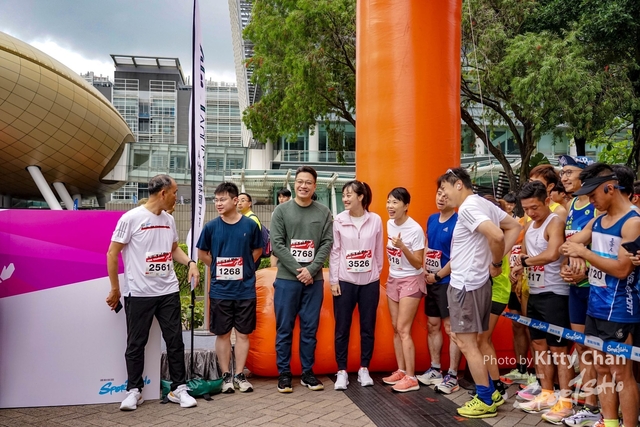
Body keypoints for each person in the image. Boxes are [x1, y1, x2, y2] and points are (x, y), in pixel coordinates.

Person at [106, 174, 198, 411]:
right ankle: (134, 391)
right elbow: (112, 253)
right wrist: (115, 289)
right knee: (136, 344)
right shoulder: (131, 218)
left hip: (168, 291)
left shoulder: (169, 220)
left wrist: (190, 263)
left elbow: (173, 249)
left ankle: (179, 389)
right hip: (138, 293)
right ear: (163, 193)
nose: (177, 197)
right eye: (175, 192)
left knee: (175, 341)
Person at [560, 163, 640, 427]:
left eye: (593, 194)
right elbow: (567, 244)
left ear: (610, 188)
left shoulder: (633, 222)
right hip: (595, 305)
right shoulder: (597, 220)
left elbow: (622, 269)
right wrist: (576, 261)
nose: (590, 200)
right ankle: (609, 421)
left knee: (621, 372)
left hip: (620, 308)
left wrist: (584, 253)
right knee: (602, 368)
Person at [438, 167, 521, 419]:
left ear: (458, 184)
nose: (443, 194)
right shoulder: (483, 204)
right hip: (476, 282)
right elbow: (514, 227)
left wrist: (496, 263)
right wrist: (494, 261)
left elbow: (497, 234)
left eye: (445, 188)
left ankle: (485, 398)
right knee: (471, 340)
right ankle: (491, 392)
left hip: (467, 284)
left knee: (467, 343)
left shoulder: (468, 207)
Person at [511, 181, 575, 424]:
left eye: (534, 207)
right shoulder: (529, 225)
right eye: (526, 208)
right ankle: (547, 393)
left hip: (555, 293)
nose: (530, 213)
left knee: (558, 350)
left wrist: (524, 263)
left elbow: (552, 253)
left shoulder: (555, 222)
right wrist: (520, 268)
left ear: (547, 201)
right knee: (538, 345)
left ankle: (566, 400)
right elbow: (526, 254)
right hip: (535, 292)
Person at [271, 166, 333, 393]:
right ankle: (284, 374)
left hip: (313, 282)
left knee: (309, 329)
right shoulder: (281, 211)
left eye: (308, 182)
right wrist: (300, 270)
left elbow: (327, 243)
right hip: (287, 280)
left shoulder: (324, 212)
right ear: (294, 184)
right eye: (299, 181)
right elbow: (277, 244)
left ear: (314, 186)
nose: (303, 186)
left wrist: (312, 269)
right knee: (284, 328)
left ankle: (308, 372)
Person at [196, 182, 262, 394]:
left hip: (245, 290)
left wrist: (245, 267)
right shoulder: (211, 227)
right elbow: (202, 254)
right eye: (216, 200)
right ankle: (226, 376)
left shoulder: (250, 225)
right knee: (222, 334)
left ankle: (240, 374)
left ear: (235, 201)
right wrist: (218, 268)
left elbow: (258, 250)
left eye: (222, 199)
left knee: (243, 334)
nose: (218, 203)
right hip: (220, 290)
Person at [557, 154, 601, 427]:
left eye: (569, 172)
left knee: (600, 351)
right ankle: (589, 403)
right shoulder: (572, 204)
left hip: (595, 286)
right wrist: (565, 267)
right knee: (582, 345)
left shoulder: (597, 207)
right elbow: (568, 245)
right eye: (562, 173)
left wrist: (584, 266)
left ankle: (606, 404)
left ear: (585, 175)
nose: (564, 177)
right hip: (574, 287)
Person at [329, 180, 383, 390]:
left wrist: (376, 273)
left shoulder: (375, 220)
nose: (345, 198)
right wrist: (334, 280)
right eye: (343, 195)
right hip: (345, 282)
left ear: (361, 197)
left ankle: (364, 369)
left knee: (368, 328)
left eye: (349, 195)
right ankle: (342, 371)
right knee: (342, 328)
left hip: (370, 283)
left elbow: (378, 250)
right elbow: (335, 251)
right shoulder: (339, 220)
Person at [417, 187, 462, 395]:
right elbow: (428, 246)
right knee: (432, 324)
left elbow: (457, 256)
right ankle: (435, 369)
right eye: (439, 194)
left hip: (448, 281)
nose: (441, 198)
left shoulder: (459, 222)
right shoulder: (432, 219)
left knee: (451, 328)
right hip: (431, 280)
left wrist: (438, 275)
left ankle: (452, 375)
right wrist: (426, 270)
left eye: (446, 195)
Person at [381, 187, 426, 393]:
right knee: (395, 327)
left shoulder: (415, 229)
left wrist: (402, 247)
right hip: (393, 279)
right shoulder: (389, 223)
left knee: (404, 329)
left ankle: (411, 377)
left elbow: (418, 263)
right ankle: (401, 370)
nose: (390, 206)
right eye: (388, 201)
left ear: (406, 205)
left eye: (395, 202)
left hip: (411, 280)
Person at [271, 189, 292, 268]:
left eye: (284, 197)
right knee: (274, 266)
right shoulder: (275, 212)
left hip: (289, 242)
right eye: (279, 197)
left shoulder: (293, 210)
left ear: (289, 197)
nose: (281, 199)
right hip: (279, 241)